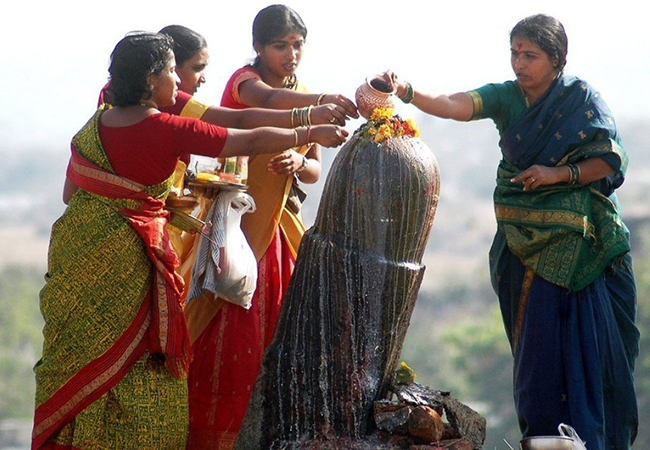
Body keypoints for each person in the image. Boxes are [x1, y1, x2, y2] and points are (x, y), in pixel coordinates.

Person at [32, 31, 347, 450]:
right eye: (171, 73)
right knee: (141, 363)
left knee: (80, 357)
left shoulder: (95, 123)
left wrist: (143, 200)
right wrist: (309, 131)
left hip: (78, 254)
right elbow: (244, 133)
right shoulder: (165, 127)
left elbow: (71, 195)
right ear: (149, 80)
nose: (179, 83)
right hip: (128, 257)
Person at [384, 13, 638, 450]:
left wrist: (556, 175)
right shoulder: (508, 97)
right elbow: (454, 104)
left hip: (580, 242)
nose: (520, 64)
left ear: (557, 60)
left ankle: (588, 435)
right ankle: (543, 438)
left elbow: (610, 161)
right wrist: (407, 92)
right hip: (521, 239)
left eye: (531, 55)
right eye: (515, 53)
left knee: (585, 341)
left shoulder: (582, 99)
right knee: (536, 350)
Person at [185, 5, 358, 448]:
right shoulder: (245, 82)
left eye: (298, 45)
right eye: (281, 45)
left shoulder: (305, 93)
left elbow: (314, 170)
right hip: (238, 224)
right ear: (259, 47)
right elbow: (266, 102)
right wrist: (316, 109)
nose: (291, 54)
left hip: (281, 225)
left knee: (288, 325)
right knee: (229, 324)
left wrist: (300, 159)